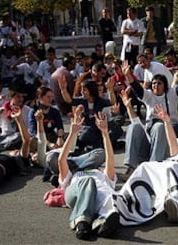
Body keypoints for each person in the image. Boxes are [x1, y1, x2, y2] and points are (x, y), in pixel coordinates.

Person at [58, 108, 119, 240]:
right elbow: (61, 160)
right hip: (76, 194)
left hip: (102, 199)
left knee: (114, 199)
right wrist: (73, 134)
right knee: (88, 182)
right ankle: (81, 222)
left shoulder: (102, 174)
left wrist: (105, 133)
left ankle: (101, 223)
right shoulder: (73, 175)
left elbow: (110, 159)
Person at [120, 61, 178, 179]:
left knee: (160, 126)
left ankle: (153, 168)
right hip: (151, 132)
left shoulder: (171, 94)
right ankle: (131, 167)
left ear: (165, 85)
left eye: (159, 83)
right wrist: (128, 75)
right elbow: (137, 89)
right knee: (133, 127)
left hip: (169, 132)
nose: (155, 85)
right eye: (154, 83)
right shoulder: (149, 95)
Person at [59, 78, 123, 150]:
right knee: (84, 136)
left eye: (84, 90)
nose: (82, 92)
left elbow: (112, 102)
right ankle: (106, 145)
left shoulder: (100, 101)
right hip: (89, 129)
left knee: (117, 130)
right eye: (82, 90)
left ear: (91, 90)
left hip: (101, 127)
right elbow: (69, 100)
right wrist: (63, 90)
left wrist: (110, 89)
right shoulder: (82, 100)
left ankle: (99, 145)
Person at [0, 105, 31, 186]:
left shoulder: (19, 160)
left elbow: (26, 141)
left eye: (18, 151)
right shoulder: (3, 154)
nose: (16, 150)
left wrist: (18, 119)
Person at [28, 86, 64, 151]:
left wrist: (60, 138)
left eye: (51, 97)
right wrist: (48, 144)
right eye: (48, 97)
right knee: (32, 141)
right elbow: (33, 132)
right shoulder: (33, 112)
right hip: (39, 137)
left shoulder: (55, 111)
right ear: (40, 97)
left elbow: (60, 126)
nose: (50, 99)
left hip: (51, 135)